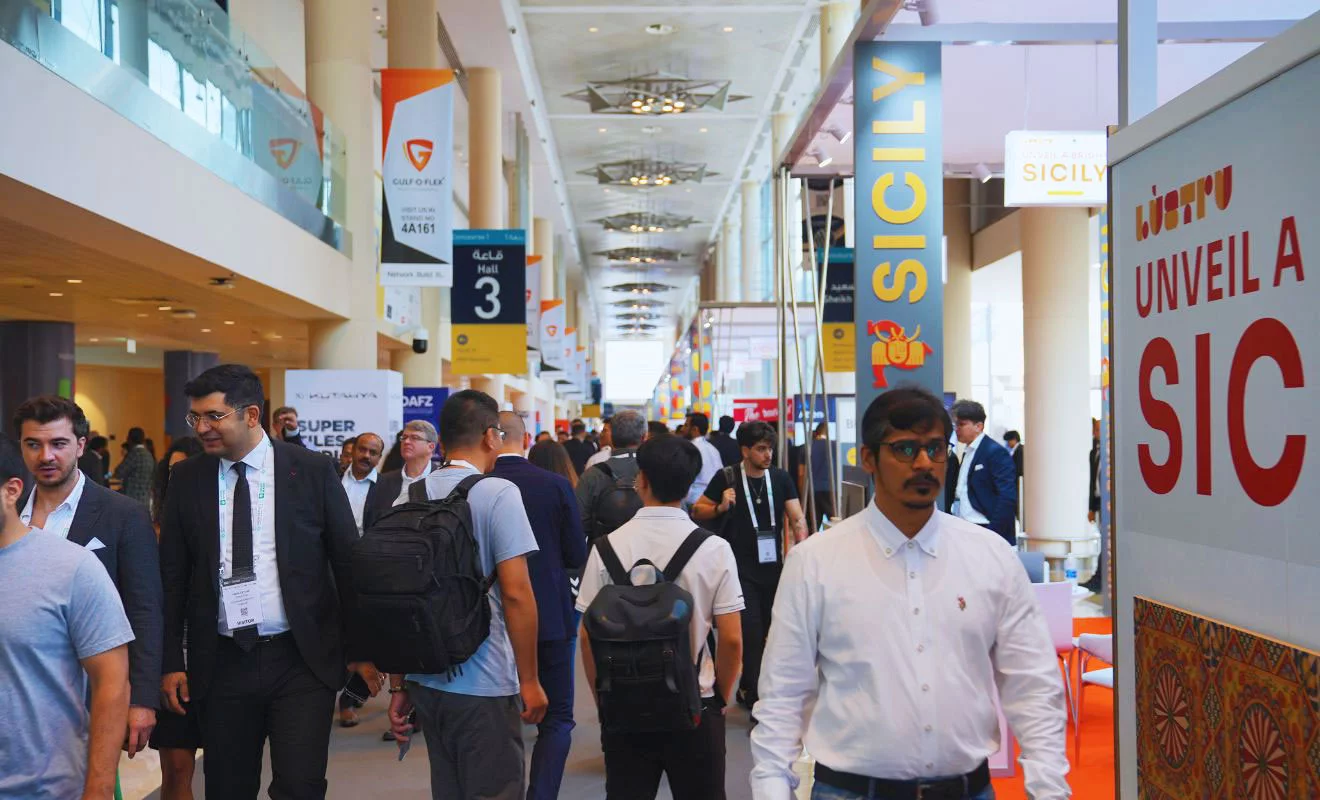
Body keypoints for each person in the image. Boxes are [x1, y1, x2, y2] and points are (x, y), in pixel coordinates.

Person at [750, 386, 1070, 800]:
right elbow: (783, 694)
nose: (924, 463)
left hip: (966, 790)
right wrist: (773, 788)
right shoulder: (816, 561)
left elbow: (1032, 683)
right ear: (868, 459)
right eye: (904, 449)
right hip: (849, 791)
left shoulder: (990, 555)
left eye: (936, 448)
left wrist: (1048, 789)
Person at [158, 364, 380, 799]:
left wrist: (361, 651)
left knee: (300, 786)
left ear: (252, 415)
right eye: (195, 417)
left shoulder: (312, 470)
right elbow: (172, 578)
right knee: (226, 787)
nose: (202, 428)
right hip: (220, 663)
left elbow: (347, 563)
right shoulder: (188, 479)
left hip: (300, 659)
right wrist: (170, 661)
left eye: (213, 416)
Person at [387, 390, 548, 800]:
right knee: (496, 790)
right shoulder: (498, 493)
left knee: (449, 789)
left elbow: (397, 593)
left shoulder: (412, 493)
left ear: (440, 442)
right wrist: (529, 680)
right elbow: (516, 594)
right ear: (492, 437)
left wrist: (400, 682)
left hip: (426, 676)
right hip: (485, 679)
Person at [576, 434, 745, 800]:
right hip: (695, 706)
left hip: (623, 706)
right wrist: (719, 699)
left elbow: (587, 637)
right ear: (689, 485)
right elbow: (731, 638)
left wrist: (603, 697)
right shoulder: (714, 549)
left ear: (642, 480)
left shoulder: (606, 548)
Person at [13, 396, 164, 760]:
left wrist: (141, 699)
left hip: (90, 691)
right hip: (15, 692)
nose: (45, 456)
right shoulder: (10, 510)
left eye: (58, 444)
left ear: (81, 446)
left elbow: (144, 609)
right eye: (33, 444)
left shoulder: (122, 515)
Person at [0, 434, 136, 799]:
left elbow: (112, 681)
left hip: (46, 787)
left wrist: (100, 788)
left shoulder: (72, 568)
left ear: (12, 491)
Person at [492, 411, 588, 800]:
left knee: (496, 715)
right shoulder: (555, 485)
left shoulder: (478, 484)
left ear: (491, 439)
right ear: (526, 437)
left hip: (490, 619)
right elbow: (574, 552)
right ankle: (542, 794)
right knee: (558, 717)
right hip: (549, 611)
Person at [692, 420, 807, 714]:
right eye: (761, 449)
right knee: (752, 632)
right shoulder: (727, 477)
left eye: (770, 448)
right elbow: (698, 509)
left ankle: (754, 684)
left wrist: (802, 544)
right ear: (745, 450)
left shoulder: (780, 478)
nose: (768, 455)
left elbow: (797, 517)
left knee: (775, 631)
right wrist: (720, 506)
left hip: (774, 569)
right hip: (739, 569)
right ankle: (755, 694)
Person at [147, 435, 206, 800]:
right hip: (170, 661)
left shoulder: (226, 523)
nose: (178, 479)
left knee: (229, 771)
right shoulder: (148, 528)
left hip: (222, 661)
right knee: (177, 771)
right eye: (172, 472)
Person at [949, 399, 1018, 545]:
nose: (957, 429)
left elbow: (1007, 497)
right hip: (964, 526)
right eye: (956, 425)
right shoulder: (968, 452)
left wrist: (993, 532)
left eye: (962, 424)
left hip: (985, 527)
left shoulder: (995, 453)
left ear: (978, 426)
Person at [575, 410, 647, 544]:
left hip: (603, 553)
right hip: (648, 552)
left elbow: (578, 523)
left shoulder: (593, 474)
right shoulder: (653, 471)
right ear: (644, 437)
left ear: (611, 438)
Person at [368, 421, 439, 532]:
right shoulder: (383, 481)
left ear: (430, 446)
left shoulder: (441, 480)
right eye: (404, 437)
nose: (406, 442)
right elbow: (372, 521)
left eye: (414, 438)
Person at [340, 432, 383, 536]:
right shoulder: (334, 478)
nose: (366, 456)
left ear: (379, 458)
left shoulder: (386, 485)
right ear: (353, 451)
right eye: (362, 449)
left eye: (373, 453)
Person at [682, 412, 723, 508]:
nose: (682, 429)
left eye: (686, 425)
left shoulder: (690, 448)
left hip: (693, 501)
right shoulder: (713, 449)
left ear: (695, 429)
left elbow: (684, 476)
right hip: (712, 501)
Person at [804, 422, 835, 530]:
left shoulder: (808, 446)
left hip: (813, 490)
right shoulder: (834, 445)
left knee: (813, 525)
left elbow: (802, 473)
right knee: (835, 523)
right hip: (830, 488)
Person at [115, 426, 155, 506]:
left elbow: (119, 473)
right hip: (145, 499)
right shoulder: (148, 455)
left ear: (129, 439)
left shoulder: (134, 454)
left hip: (131, 499)